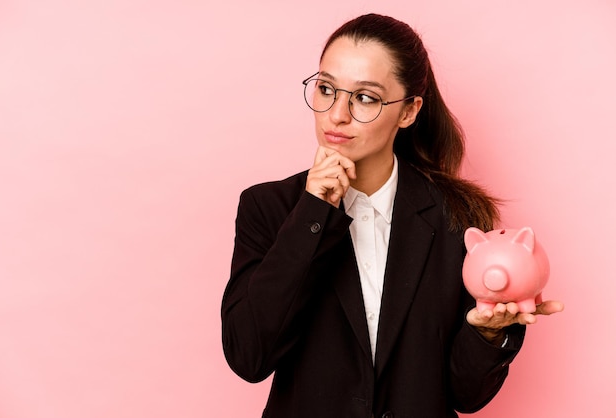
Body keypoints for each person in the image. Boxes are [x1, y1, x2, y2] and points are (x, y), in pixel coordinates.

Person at [221, 13, 563, 418]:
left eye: (364, 97)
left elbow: (465, 396)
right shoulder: (269, 208)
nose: (337, 114)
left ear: (408, 111)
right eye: (327, 89)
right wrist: (312, 213)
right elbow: (249, 357)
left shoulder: (455, 216)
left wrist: (488, 333)